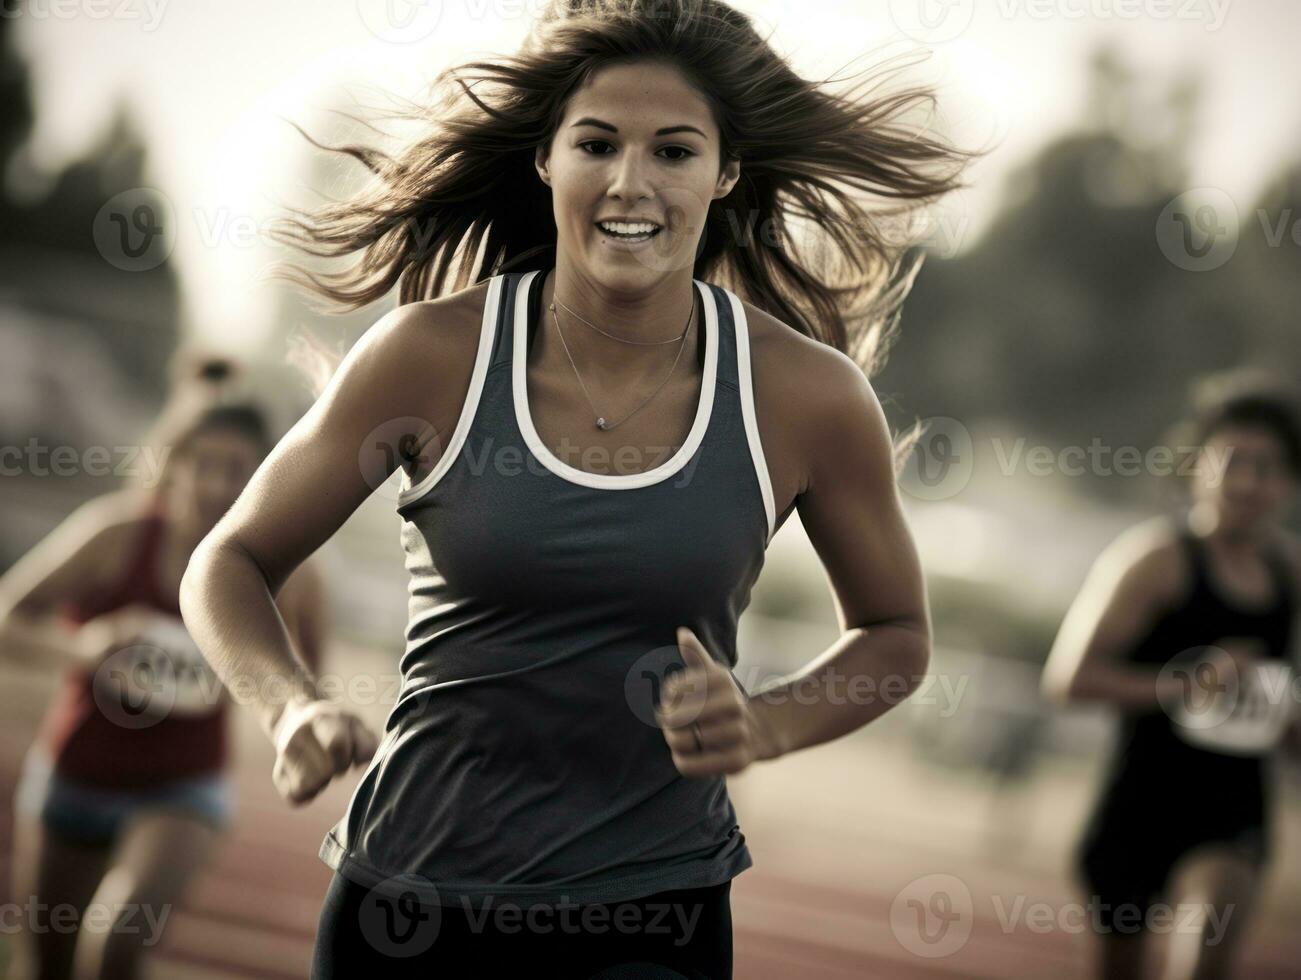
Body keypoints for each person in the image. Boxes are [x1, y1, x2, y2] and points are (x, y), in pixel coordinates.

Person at [181, 1, 974, 975]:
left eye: (673, 151)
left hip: (653, 911)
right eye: (595, 142)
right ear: (545, 159)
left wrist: (765, 722)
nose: (629, 182)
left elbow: (895, 631)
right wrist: (290, 707)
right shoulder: (430, 356)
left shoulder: (804, 396)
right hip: (412, 901)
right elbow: (230, 558)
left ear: (725, 172)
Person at [1, 353, 325, 980]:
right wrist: (85, 647)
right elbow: (9, 616)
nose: (216, 485)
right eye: (203, 465)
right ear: (171, 466)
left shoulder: (294, 574)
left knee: (116, 948)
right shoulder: (115, 535)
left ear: (264, 481)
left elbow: (312, 683)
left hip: (184, 786)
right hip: (76, 772)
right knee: (44, 965)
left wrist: (280, 699)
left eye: (238, 471)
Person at [1041, 370, 1301, 980]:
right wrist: (1185, 686)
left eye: (1267, 467)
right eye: (1232, 461)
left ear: (1289, 482)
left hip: (1235, 810)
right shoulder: (1154, 560)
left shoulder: (1291, 574)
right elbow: (1067, 680)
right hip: (1140, 803)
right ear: (1197, 465)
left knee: (1205, 963)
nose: (1248, 482)